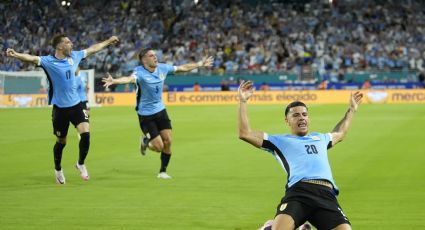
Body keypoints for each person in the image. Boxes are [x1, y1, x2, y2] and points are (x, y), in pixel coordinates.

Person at [237, 80, 363, 230]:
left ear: (308, 118)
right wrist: (243, 101)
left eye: (304, 114)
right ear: (287, 121)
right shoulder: (279, 141)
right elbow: (245, 133)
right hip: (299, 193)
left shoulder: (320, 138)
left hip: (326, 195)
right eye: (296, 115)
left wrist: (351, 110)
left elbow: (340, 133)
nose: (301, 117)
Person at [6, 34, 119, 184]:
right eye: (67, 42)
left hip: (77, 105)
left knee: (86, 135)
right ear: (59, 46)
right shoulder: (48, 61)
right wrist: (16, 55)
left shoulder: (75, 56)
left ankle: (80, 163)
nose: (71, 44)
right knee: (61, 141)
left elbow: (93, 49)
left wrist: (109, 42)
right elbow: (32, 58)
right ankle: (58, 168)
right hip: (60, 109)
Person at [102, 48, 213, 179]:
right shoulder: (139, 72)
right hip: (146, 115)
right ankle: (146, 142)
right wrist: (114, 81)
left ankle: (162, 172)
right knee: (159, 147)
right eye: (151, 56)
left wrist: (200, 64)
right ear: (144, 60)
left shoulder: (162, 68)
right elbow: (129, 79)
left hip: (160, 111)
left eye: (155, 55)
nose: (155, 57)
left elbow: (182, 68)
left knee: (168, 141)